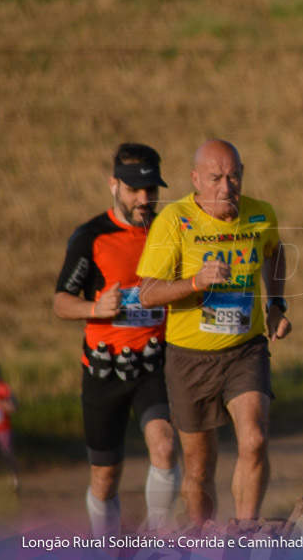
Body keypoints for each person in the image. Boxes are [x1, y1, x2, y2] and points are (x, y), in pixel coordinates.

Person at [137, 140, 291, 527]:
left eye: (234, 176)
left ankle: (244, 533)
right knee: (199, 467)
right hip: (190, 357)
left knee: (254, 439)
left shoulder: (260, 214)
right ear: (195, 180)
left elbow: (274, 250)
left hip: (246, 350)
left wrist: (277, 305)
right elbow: (148, 292)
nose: (227, 187)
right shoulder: (173, 220)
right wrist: (194, 283)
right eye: (216, 178)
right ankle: (200, 540)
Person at [53, 143, 179, 535]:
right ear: (113, 185)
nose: (144, 199)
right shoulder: (91, 236)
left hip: (154, 364)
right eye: (133, 190)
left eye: (151, 190)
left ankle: (156, 540)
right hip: (104, 369)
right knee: (105, 477)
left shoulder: (170, 230)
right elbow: (60, 302)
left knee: (165, 446)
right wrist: (95, 309)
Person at [0, 363, 20, 494]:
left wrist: (0, 402)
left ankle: (14, 479)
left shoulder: (5, 389)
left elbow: (14, 408)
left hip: (3, 428)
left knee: (7, 454)